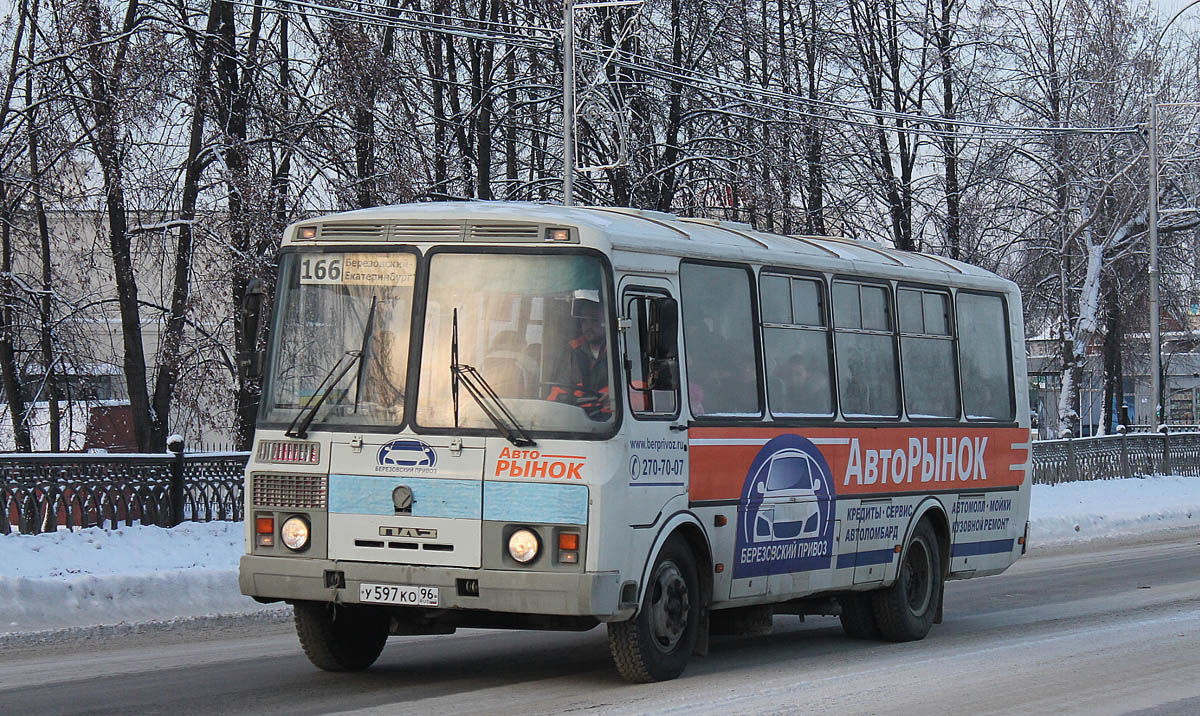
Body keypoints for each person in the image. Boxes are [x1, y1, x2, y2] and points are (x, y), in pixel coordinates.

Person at [548, 295, 611, 419]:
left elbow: (638, 393)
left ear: (607, 322)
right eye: (584, 321)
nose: (588, 326)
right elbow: (558, 391)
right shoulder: (572, 352)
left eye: (594, 321)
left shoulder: (620, 350)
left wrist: (616, 398)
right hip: (576, 421)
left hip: (611, 420)